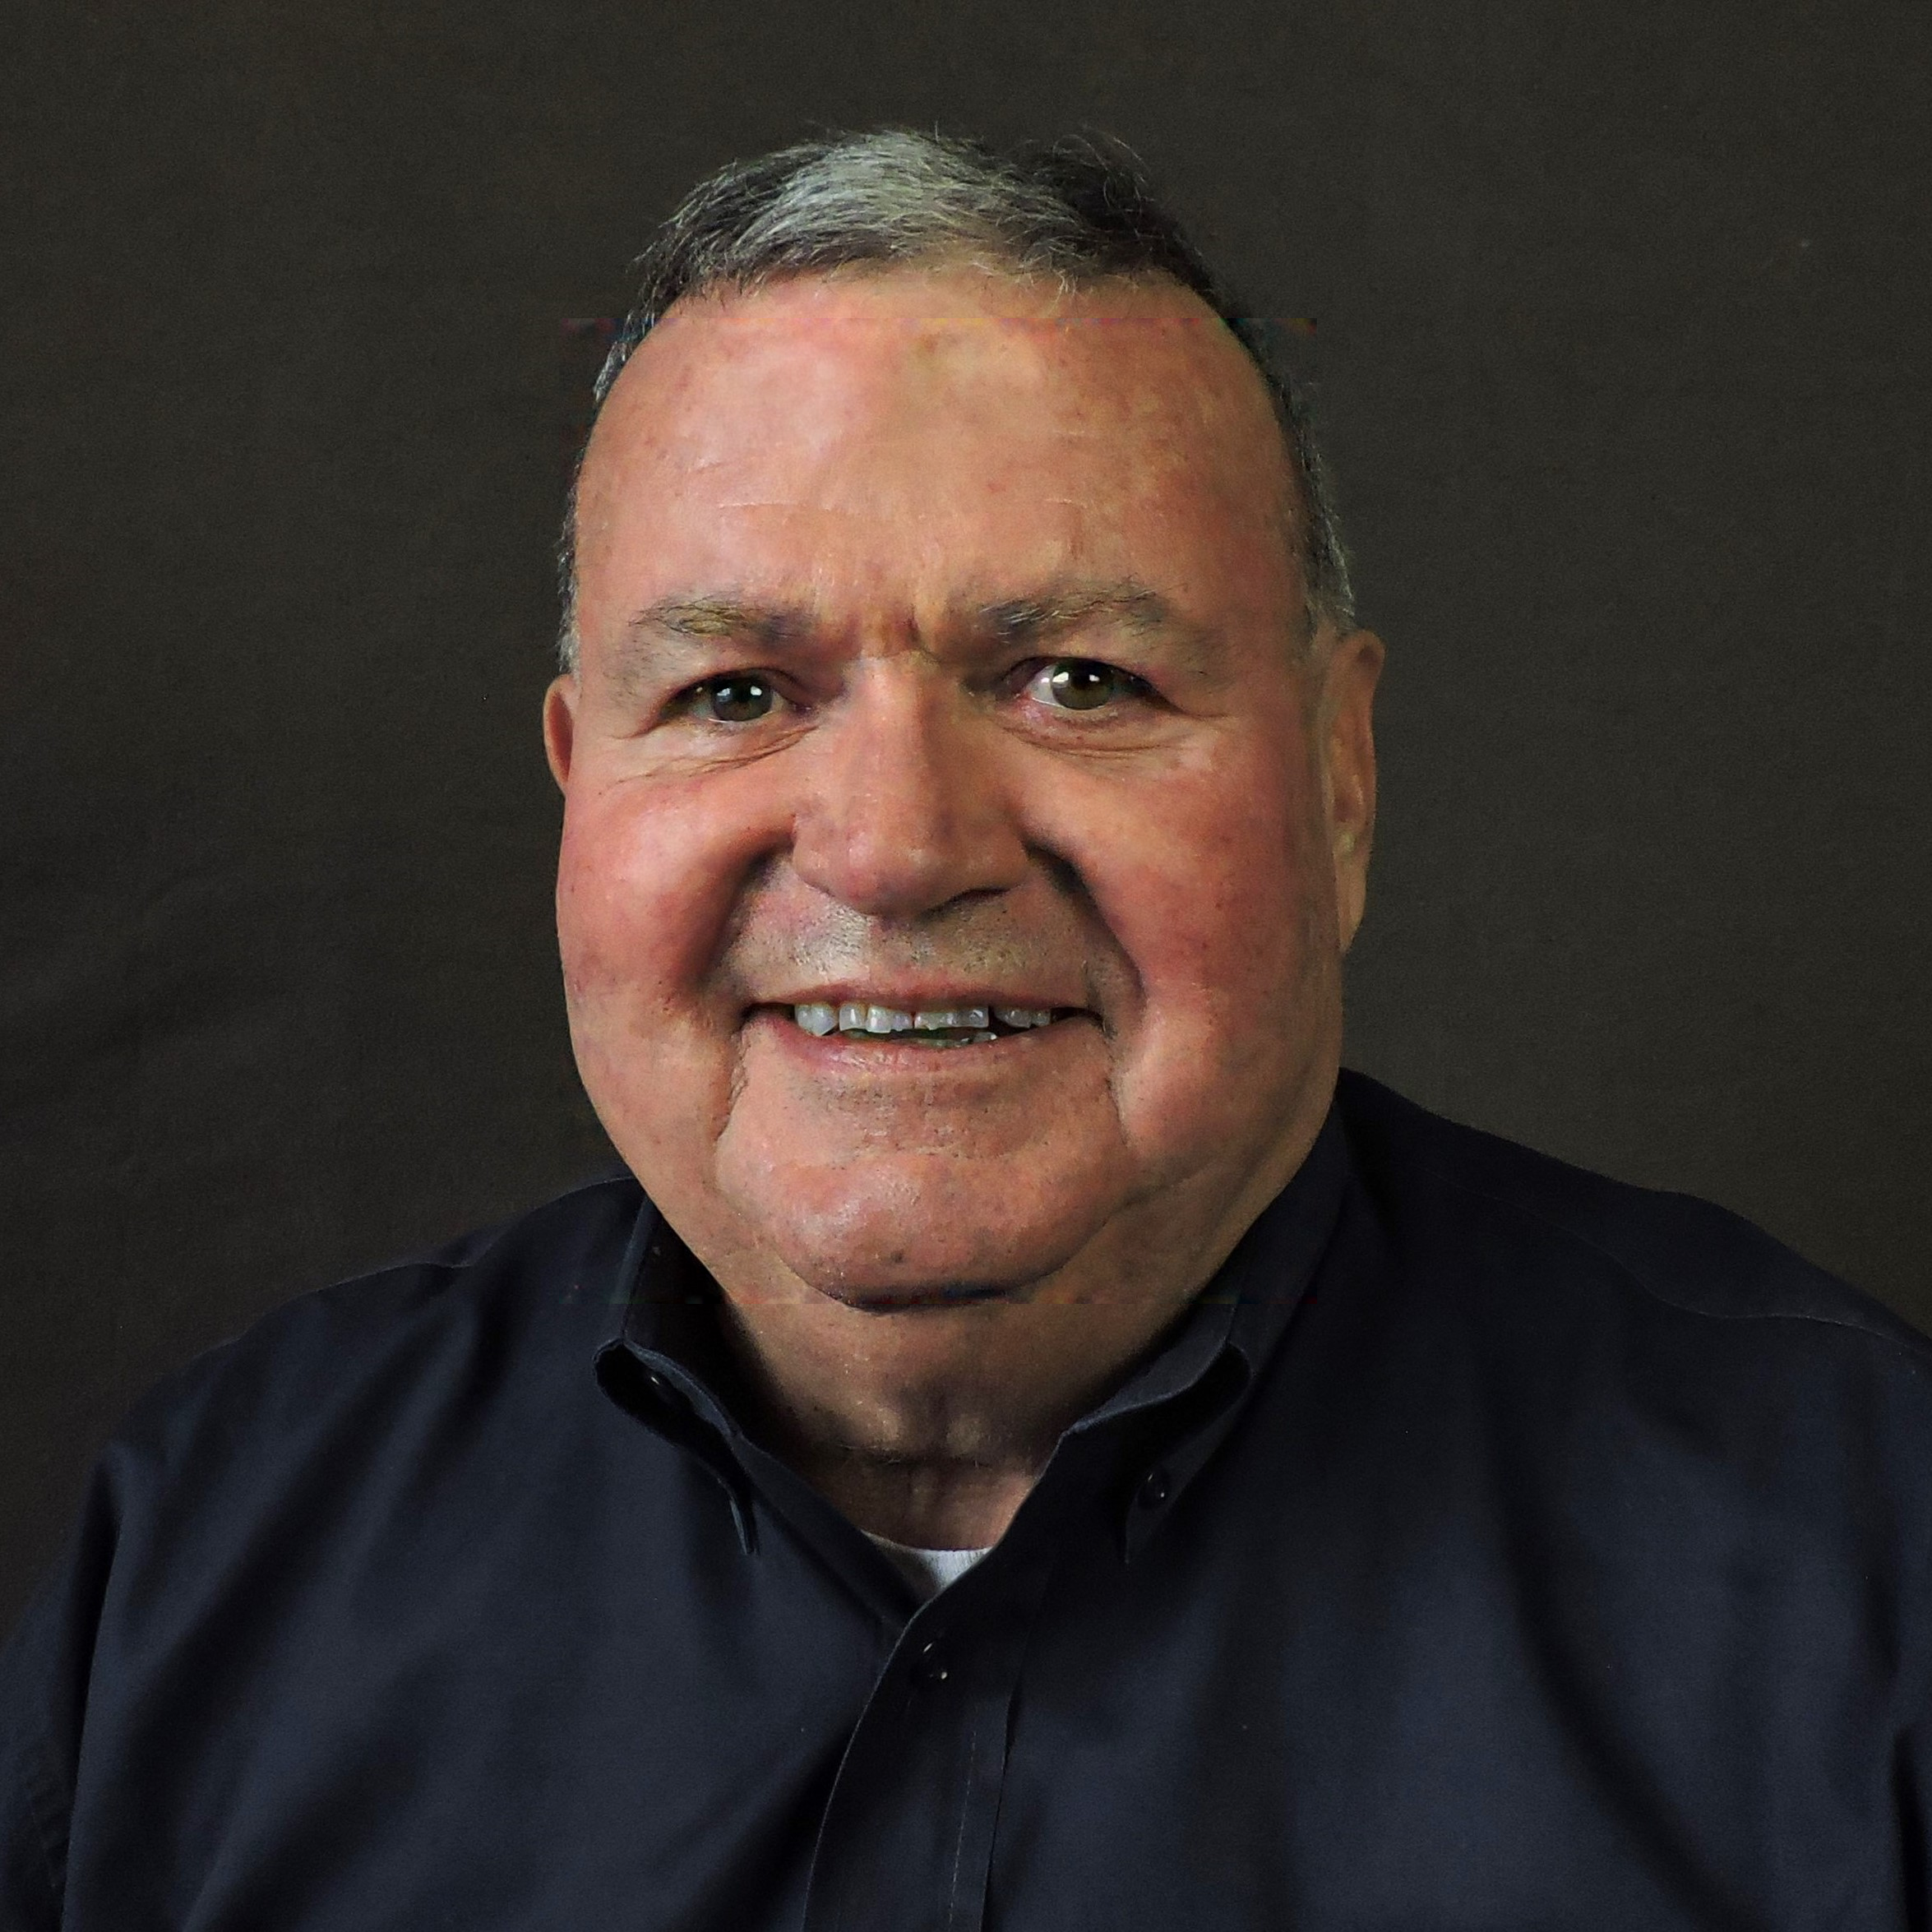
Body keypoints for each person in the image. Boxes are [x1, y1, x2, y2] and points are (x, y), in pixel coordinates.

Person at [2, 128, 1928, 1931]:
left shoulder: (1867, 1565)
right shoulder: (210, 1557)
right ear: (580, 788)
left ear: (1339, 780)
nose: (895, 845)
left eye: (1077, 678)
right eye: (739, 689)